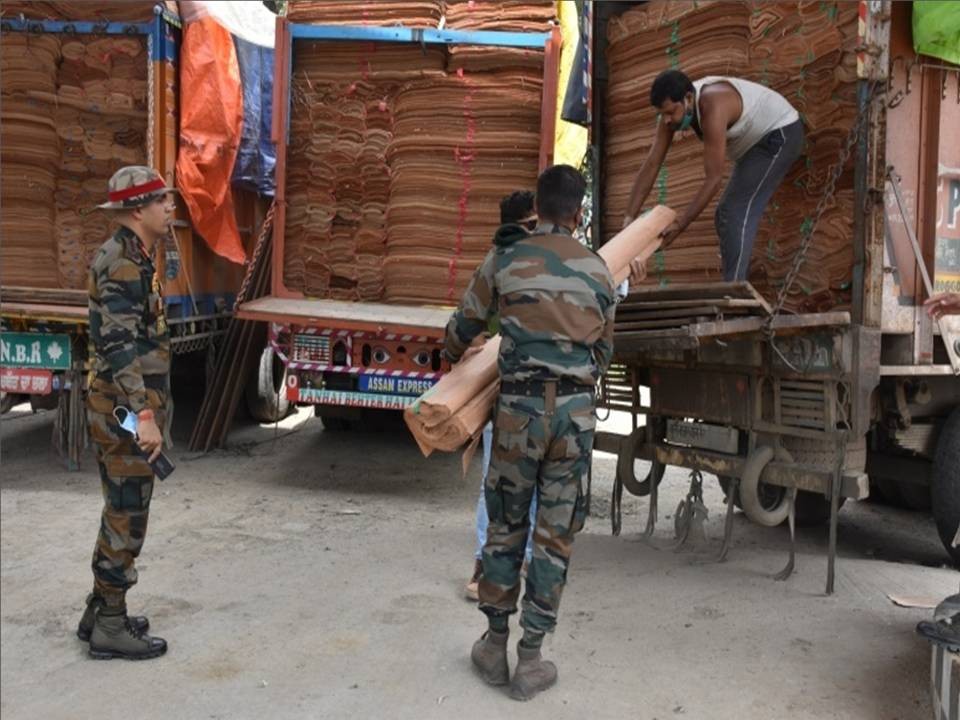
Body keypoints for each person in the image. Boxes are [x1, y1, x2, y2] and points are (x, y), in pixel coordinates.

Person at [445, 165, 615, 700]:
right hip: (573, 419)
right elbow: (604, 352)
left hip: (517, 415)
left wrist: (457, 357)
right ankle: (532, 658)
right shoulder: (599, 270)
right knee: (554, 535)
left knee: (506, 526)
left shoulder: (505, 257)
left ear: (536, 208)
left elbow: (462, 327)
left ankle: (494, 646)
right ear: (578, 214)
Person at [78, 166, 175, 660]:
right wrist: (145, 416)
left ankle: (99, 612)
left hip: (121, 406)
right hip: (124, 410)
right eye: (162, 201)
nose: (169, 208)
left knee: (119, 507)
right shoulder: (121, 262)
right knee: (127, 514)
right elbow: (119, 346)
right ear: (138, 210)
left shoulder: (133, 255)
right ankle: (111, 626)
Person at [624, 69, 804, 282]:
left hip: (779, 134)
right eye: (661, 114)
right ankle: (732, 283)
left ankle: (734, 289)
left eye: (670, 112)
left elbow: (714, 180)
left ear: (688, 98)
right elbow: (652, 164)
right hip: (754, 145)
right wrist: (629, 217)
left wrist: (680, 225)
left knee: (733, 211)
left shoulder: (712, 105)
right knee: (724, 216)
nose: (666, 120)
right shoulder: (672, 115)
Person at [465, 191, 540, 602]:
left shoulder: (518, 262)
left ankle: (517, 560)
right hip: (507, 391)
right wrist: (472, 350)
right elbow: (467, 323)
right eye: (534, 224)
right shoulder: (502, 263)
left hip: (526, 393)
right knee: (496, 483)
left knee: (522, 483)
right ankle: (485, 560)